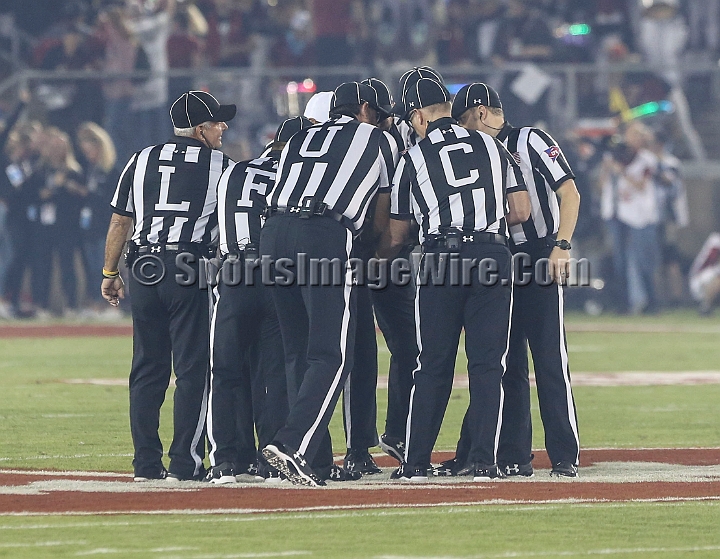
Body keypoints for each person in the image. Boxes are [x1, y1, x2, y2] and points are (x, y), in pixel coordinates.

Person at [378, 78, 530, 482]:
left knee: (432, 366)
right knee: (486, 366)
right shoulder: (493, 146)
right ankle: (483, 461)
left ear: (417, 115)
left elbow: (396, 232)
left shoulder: (413, 157)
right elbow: (521, 209)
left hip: (441, 258)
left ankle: (415, 464)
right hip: (491, 254)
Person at [439, 83, 581, 478]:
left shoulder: (530, 139)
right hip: (497, 257)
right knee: (506, 360)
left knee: (549, 355)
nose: (461, 131)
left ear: (481, 113)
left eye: (463, 121)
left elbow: (569, 191)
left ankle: (565, 453)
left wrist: (562, 244)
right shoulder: (474, 152)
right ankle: (514, 454)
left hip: (537, 251)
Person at [260, 81, 397, 487]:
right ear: (366, 110)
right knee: (331, 354)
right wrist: (373, 253)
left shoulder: (300, 133)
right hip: (321, 233)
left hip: (274, 233)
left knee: (296, 352)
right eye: (381, 113)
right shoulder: (378, 140)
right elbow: (382, 214)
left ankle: (314, 461)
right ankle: (292, 445)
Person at [101, 90, 235, 482]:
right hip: (187, 265)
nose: (222, 127)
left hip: (142, 265)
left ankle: (145, 464)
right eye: (216, 122)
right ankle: (185, 462)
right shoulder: (221, 166)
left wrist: (110, 273)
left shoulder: (140, 159)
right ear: (199, 129)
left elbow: (120, 221)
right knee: (192, 368)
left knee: (147, 367)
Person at [204, 117, 313, 484]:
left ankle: (224, 460)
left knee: (226, 371)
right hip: (275, 277)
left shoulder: (233, 172)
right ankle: (270, 458)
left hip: (234, 274)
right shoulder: (295, 175)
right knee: (277, 373)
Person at [76, 122, 119, 314]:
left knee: (107, 270)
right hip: (90, 228)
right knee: (93, 269)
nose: (88, 155)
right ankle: (96, 303)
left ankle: (111, 305)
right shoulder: (89, 171)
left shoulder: (112, 172)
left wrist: (88, 194)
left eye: (90, 150)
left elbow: (111, 203)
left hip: (106, 228)